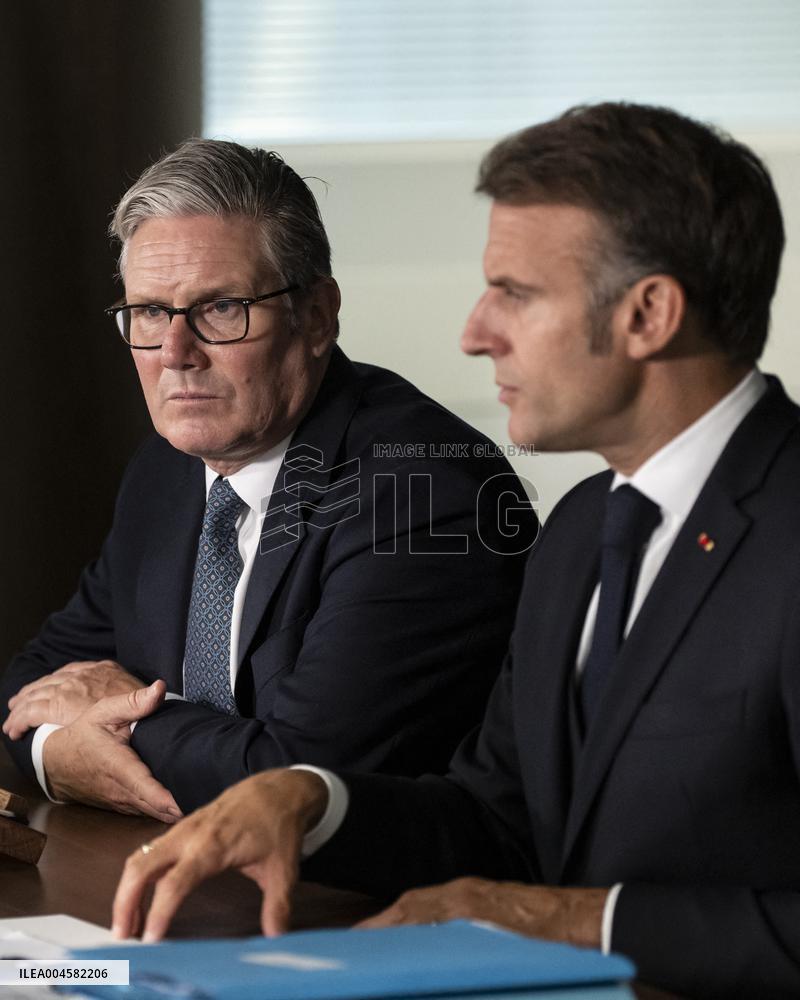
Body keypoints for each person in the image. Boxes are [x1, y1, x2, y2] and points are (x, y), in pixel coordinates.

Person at [111, 103, 797, 997]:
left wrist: (575, 921)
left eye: (515, 292)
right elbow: (496, 817)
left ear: (649, 314)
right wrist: (312, 799)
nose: (475, 332)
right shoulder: (586, 528)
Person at [0, 139, 535, 825]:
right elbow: (32, 683)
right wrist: (56, 753)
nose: (175, 355)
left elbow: (303, 777)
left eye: (221, 309)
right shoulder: (165, 473)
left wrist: (104, 721)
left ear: (315, 317)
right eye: (150, 313)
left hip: (361, 912)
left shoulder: (425, 493)